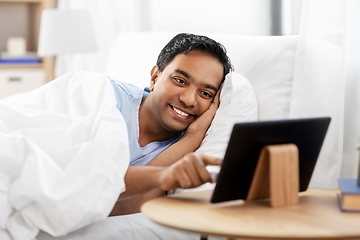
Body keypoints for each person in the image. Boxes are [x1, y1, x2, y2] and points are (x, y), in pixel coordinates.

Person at [109, 33, 233, 215]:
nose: (189, 100)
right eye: (180, 81)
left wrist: (193, 138)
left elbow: (127, 208)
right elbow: (88, 199)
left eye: (205, 93)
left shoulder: (183, 148)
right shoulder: (108, 100)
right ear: (155, 77)